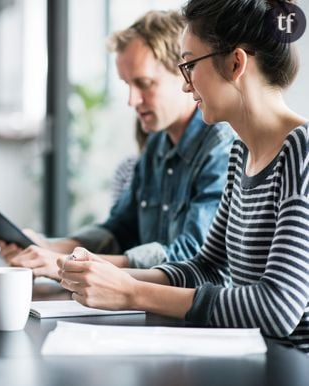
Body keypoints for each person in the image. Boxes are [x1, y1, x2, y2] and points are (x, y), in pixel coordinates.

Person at [58, 0, 309, 353]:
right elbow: (208, 268)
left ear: (236, 63)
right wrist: (107, 275)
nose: (185, 85)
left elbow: (278, 307)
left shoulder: (302, 153)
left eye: (189, 65)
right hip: (252, 358)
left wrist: (131, 292)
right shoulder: (241, 153)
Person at [0, 10, 234, 279]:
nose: (132, 101)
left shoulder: (221, 149)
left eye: (144, 84)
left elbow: (192, 255)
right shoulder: (157, 145)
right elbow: (119, 229)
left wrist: (67, 263)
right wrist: (47, 247)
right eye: (127, 85)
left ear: (184, 75)